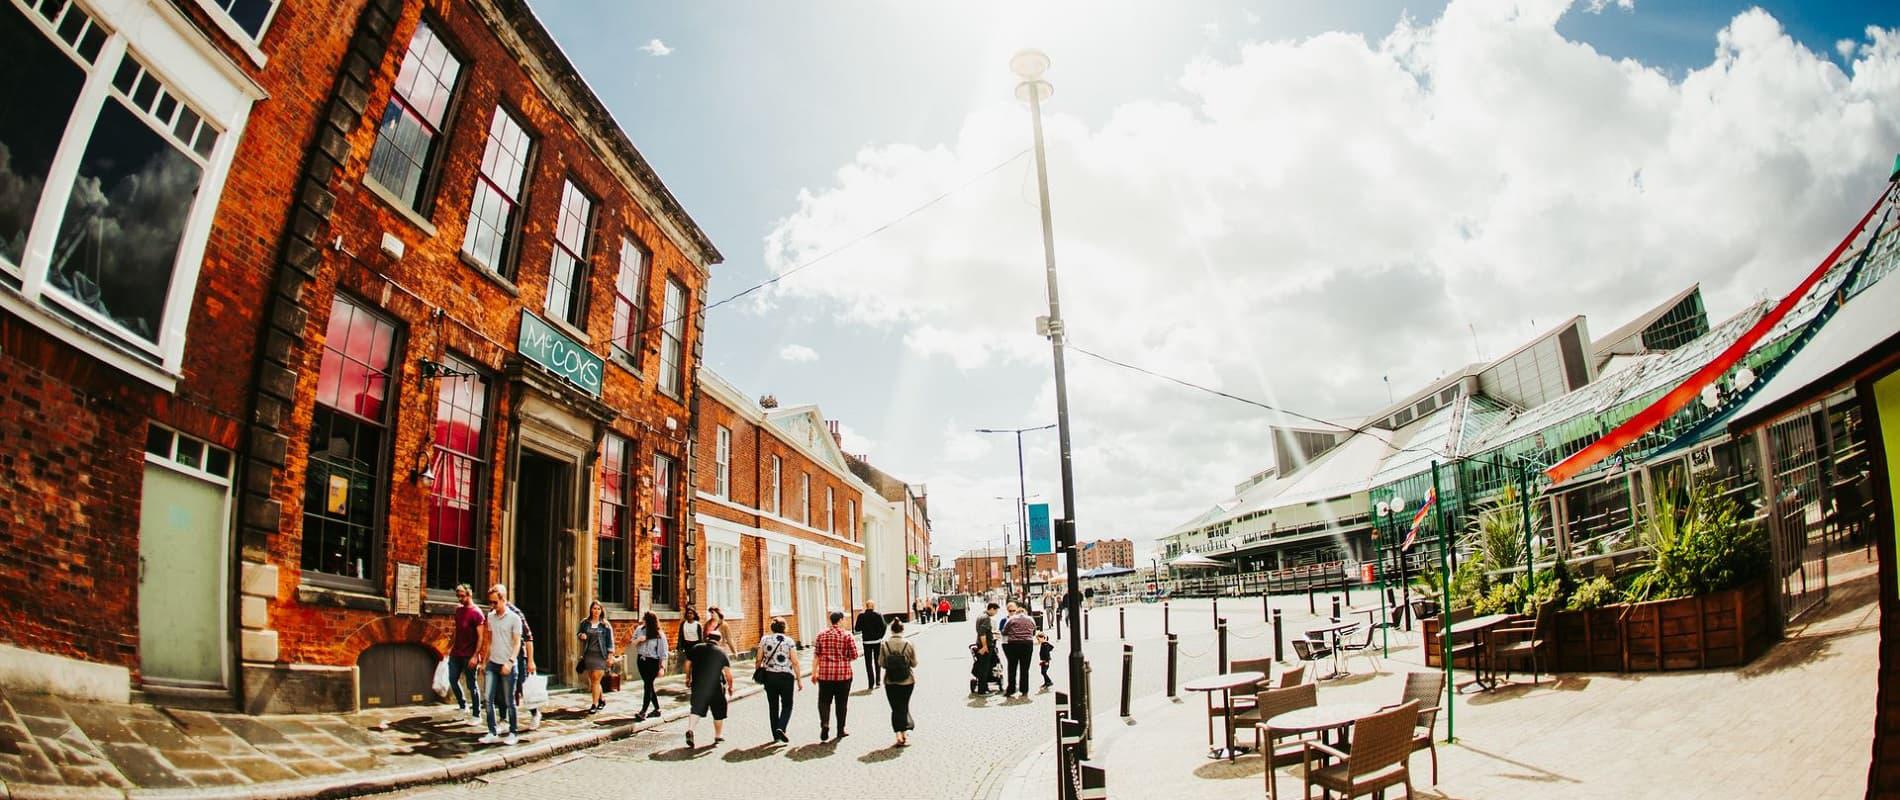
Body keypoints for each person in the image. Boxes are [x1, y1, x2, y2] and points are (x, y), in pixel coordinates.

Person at [472, 583, 523, 745]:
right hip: (493, 663)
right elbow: (490, 640)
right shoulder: (491, 617)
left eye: (495, 602)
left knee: (509, 701)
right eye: (490, 602)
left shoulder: (514, 618)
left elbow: (517, 644)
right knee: (488, 698)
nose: (492, 606)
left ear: (503, 599)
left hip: (508, 664)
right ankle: (492, 731)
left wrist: (510, 661)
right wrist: (485, 661)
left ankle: (513, 732)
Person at [813, 610, 860, 741]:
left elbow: (816, 654)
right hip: (843, 675)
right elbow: (854, 655)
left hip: (825, 674)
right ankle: (840, 730)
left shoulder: (821, 635)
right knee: (842, 703)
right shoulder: (847, 635)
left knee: (824, 701)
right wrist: (844, 659)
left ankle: (825, 724)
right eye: (843, 619)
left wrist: (814, 672)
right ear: (839, 620)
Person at [756, 617, 803, 743]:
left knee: (773, 706)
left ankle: (775, 735)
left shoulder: (764, 640)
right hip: (785, 676)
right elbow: (795, 662)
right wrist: (799, 679)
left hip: (769, 676)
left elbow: (758, 659)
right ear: (785, 628)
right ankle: (781, 727)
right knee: (787, 704)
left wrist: (758, 671)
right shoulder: (789, 641)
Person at [683, 632, 732, 748]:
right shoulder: (721, 652)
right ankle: (718, 736)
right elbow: (728, 673)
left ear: (707, 638)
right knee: (718, 711)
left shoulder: (696, 648)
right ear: (719, 640)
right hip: (715, 687)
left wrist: (687, 677)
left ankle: (690, 730)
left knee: (696, 709)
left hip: (698, 685)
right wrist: (731, 686)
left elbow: (687, 663)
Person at [447, 584, 485, 722]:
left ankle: (476, 714)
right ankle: (463, 707)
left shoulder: (477, 613)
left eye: (462, 596)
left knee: (471, 684)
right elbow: (456, 631)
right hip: (456, 653)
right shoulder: (458, 611)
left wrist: (475, 655)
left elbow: (481, 637)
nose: (460, 599)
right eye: (458, 596)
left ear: (469, 594)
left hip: (469, 654)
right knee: (452, 679)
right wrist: (449, 647)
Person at [881, 619, 919, 747]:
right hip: (907, 680)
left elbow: (881, 663)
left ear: (891, 630)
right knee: (903, 705)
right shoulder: (908, 643)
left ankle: (898, 735)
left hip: (890, 681)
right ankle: (904, 734)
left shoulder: (884, 644)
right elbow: (914, 663)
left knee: (895, 707)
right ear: (903, 630)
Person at [576, 600, 615, 714]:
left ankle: (594, 704)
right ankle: (602, 700)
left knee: (596, 680)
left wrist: (610, 656)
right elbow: (579, 633)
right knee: (593, 680)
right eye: (594, 608)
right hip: (588, 655)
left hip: (600, 656)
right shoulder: (585, 623)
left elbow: (610, 642)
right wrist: (581, 635)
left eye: (598, 609)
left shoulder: (605, 625)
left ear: (601, 610)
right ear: (591, 610)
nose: (596, 611)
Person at [632, 611, 667, 721]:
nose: (644, 622)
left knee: (647, 685)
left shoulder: (659, 635)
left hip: (653, 662)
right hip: (641, 660)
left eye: (646, 620)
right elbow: (632, 642)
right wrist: (639, 640)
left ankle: (643, 711)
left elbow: (663, 652)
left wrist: (662, 667)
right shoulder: (640, 630)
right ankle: (657, 709)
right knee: (649, 685)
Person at [1001, 601, 1036, 697]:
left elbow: (1004, 632)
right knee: (1025, 668)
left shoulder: (1011, 619)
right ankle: (1024, 689)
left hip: (1014, 645)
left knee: (1012, 667)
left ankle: (1011, 689)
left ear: (1017, 612)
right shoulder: (1030, 619)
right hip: (1027, 645)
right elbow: (1034, 632)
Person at [854, 600, 887, 690]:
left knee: (868, 663)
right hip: (876, 641)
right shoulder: (878, 615)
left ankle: (870, 683)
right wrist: (880, 636)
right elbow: (884, 626)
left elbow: (857, 628)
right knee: (877, 661)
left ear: (866, 606)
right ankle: (878, 681)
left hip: (866, 642)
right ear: (873, 606)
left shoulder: (861, 616)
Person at [972, 602, 1000, 695]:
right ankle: (982, 690)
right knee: (985, 668)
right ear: (992, 609)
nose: (995, 613)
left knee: (983, 666)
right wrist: (984, 646)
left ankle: (984, 687)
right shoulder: (986, 618)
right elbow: (982, 633)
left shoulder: (981, 616)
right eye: (995, 611)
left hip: (980, 643)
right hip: (986, 645)